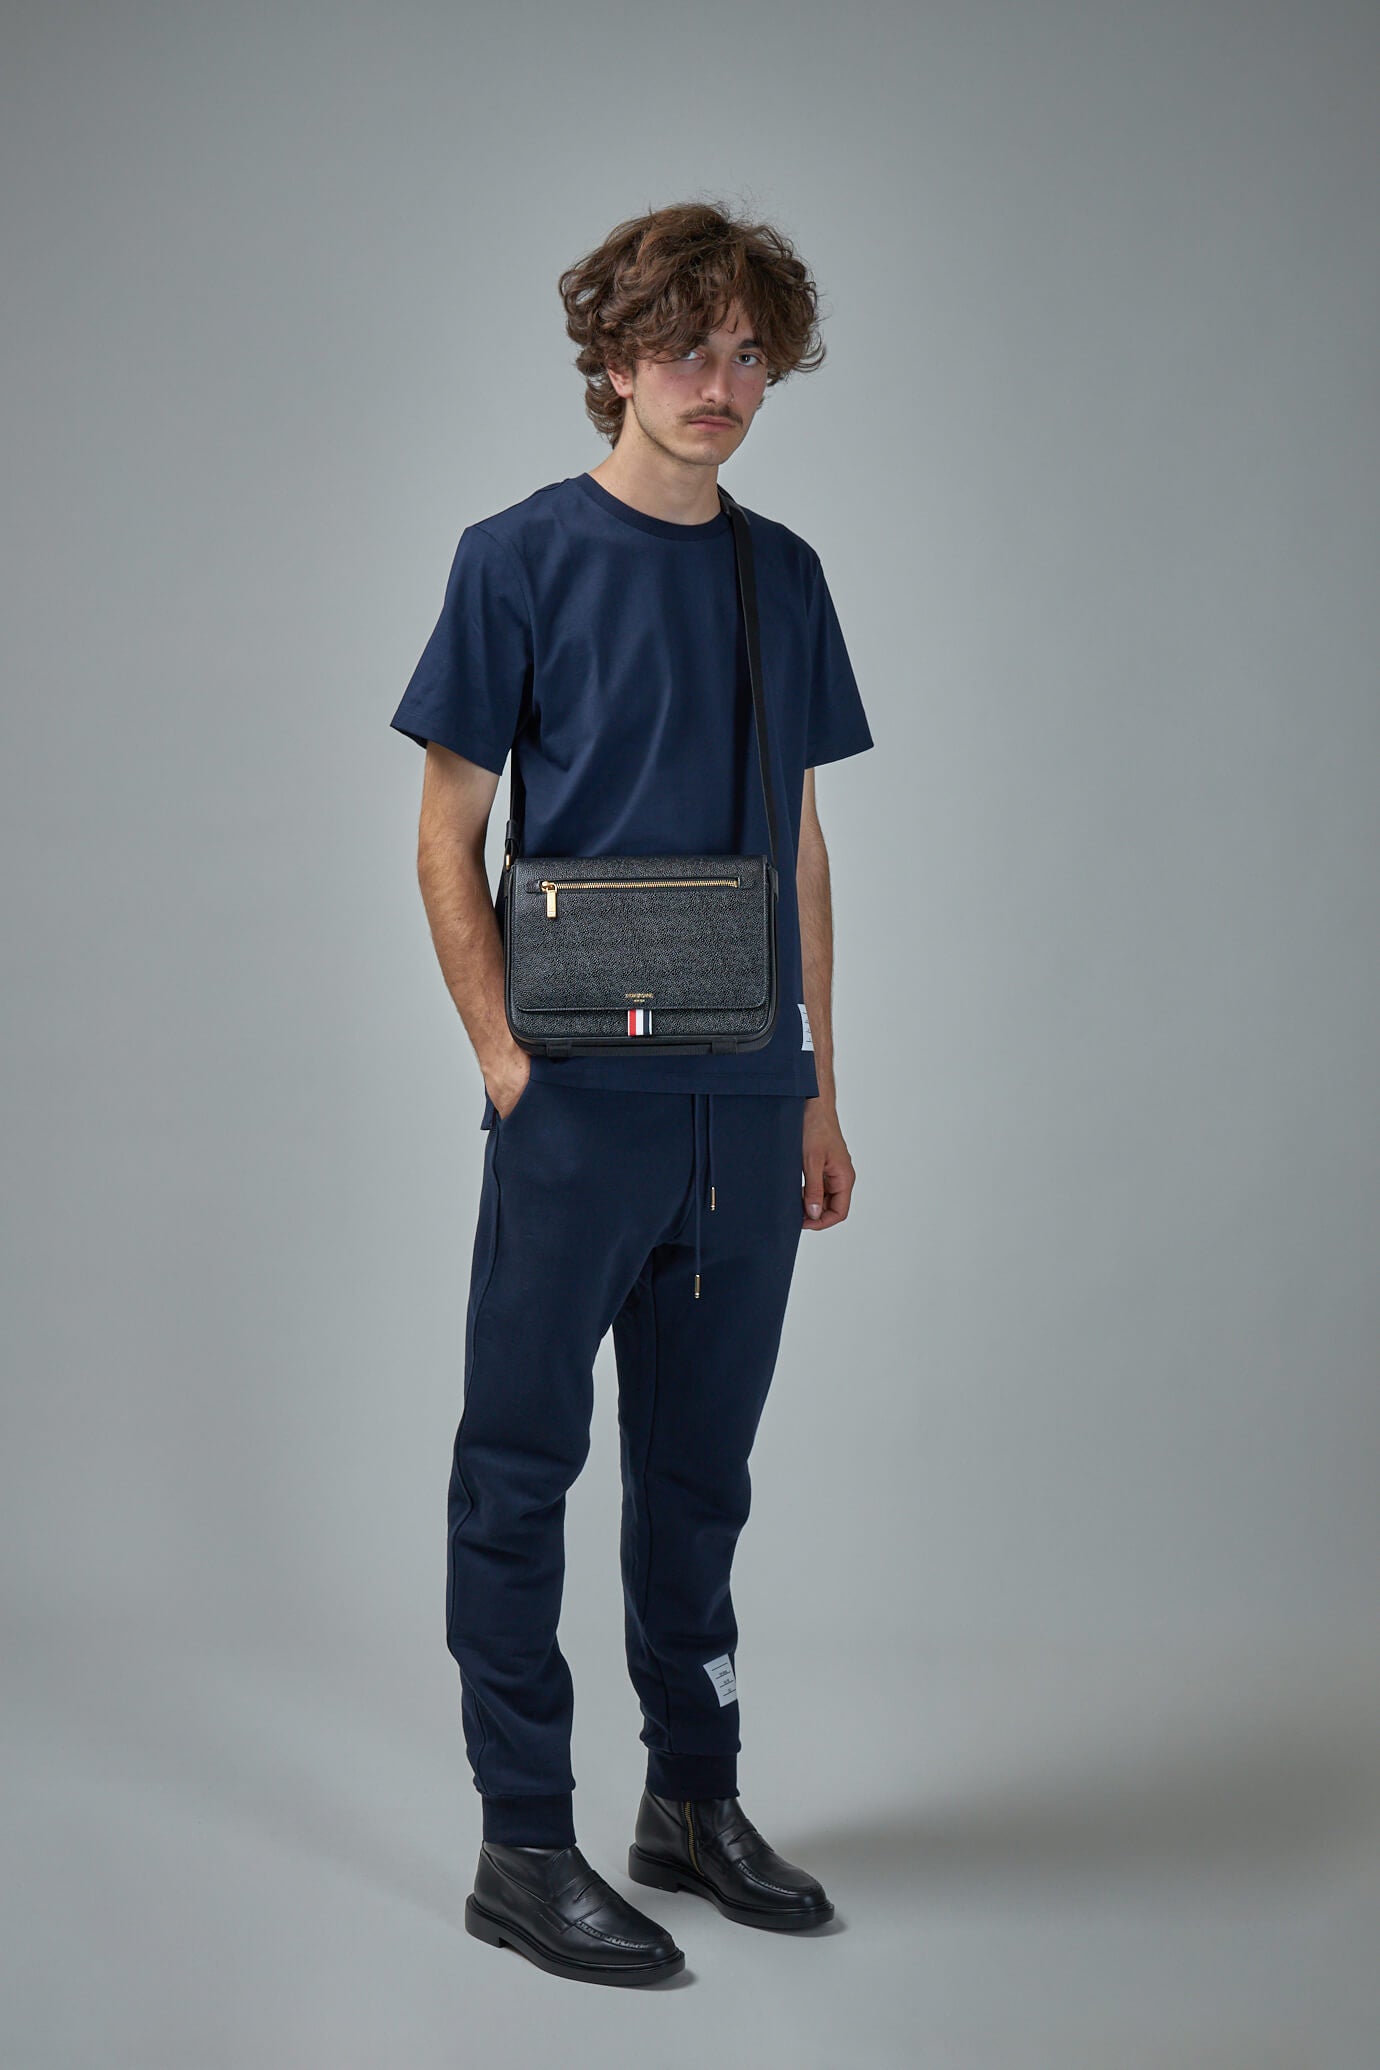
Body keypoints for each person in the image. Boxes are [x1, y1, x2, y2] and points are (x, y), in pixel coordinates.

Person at [390, 200, 875, 1987]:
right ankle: (525, 1842)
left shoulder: (784, 575)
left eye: (750, 352)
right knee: (519, 1466)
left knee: (700, 1477)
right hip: (577, 1102)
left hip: (746, 1101)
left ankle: (694, 1797)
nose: (719, 382)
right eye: (686, 344)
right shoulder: (514, 557)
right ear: (613, 354)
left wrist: (815, 1086)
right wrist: (506, 1062)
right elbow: (443, 833)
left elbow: (800, 841)